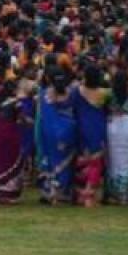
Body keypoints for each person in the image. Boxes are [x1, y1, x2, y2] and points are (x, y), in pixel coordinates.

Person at [38, 68, 78, 205]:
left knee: (50, 161)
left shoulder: (43, 95)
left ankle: (50, 192)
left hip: (49, 133)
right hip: (68, 133)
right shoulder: (72, 94)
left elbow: (41, 118)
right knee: (66, 164)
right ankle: (63, 192)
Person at [0, 69, 24, 205]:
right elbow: (20, 118)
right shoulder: (15, 102)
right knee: (9, 163)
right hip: (9, 135)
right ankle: (8, 194)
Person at [73, 68, 109, 208]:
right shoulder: (103, 94)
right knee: (96, 162)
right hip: (98, 127)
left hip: (81, 126)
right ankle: (89, 194)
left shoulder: (77, 91)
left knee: (82, 160)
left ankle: (80, 193)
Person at [105, 71, 128, 205]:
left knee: (113, 158)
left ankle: (113, 193)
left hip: (113, 125)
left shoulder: (109, 95)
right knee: (127, 159)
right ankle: (124, 193)